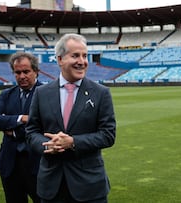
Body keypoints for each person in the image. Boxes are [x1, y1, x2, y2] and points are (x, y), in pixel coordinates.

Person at [25, 33, 116, 203]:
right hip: (51, 186)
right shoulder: (41, 93)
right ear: (60, 59)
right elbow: (31, 132)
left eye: (84, 55)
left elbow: (108, 135)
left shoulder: (101, 93)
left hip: (90, 186)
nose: (82, 61)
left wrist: (73, 142)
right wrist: (46, 145)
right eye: (75, 55)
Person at [0, 52, 42, 203]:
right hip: (9, 164)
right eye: (17, 72)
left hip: (36, 165)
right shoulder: (7, 94)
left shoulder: (46, 93)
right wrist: (21, 118)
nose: (22, 76)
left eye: (26, 71)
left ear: (36, 71)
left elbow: (44, 126)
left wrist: (12, 129)